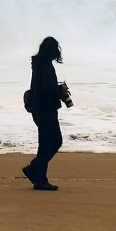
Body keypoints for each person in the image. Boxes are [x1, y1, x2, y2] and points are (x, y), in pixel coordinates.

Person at [22, 36, 68, 191]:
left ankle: (39, 178)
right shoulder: (46, 67)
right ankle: (35, 170)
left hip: (38, 109)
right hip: (46, 109)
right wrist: (61, 90)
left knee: (45, 144)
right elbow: (48, 90)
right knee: (55, 142)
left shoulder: (38, 65)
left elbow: (43, 87)